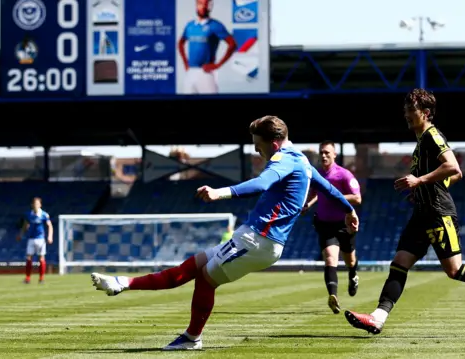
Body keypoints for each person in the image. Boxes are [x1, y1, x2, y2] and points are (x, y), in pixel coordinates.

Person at [91, 116, 359, 350]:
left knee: (205, 281)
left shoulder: (283, 159)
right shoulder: (300, 158)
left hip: (258, 239)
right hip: (255, 238)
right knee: (191, 266)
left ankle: (192, 338)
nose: (257, 152)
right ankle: (122, 282)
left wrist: (220, 192)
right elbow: (329, 189)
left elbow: (262, 183)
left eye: (258, 146)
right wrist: (349, 209)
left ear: (274, 145)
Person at [344, 88, 465, 335]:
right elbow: (455, 175)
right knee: (399, 264)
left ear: (426, 113)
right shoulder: (420, 144)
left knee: (455, 270)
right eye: (405, 110)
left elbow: (453, 166)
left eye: (411, 110)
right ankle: (378, 318)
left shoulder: (432, 135)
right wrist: (422, 187)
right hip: (422, 212)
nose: (406, 114)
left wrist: (420, 182)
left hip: (439, 212)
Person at [302, 140, 362, 314]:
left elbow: (357, 198)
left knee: (350, 260)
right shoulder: (317, 175)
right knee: (330, 258)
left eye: (327, 152)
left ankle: (353, 275)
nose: (323, 155)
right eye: (321, 152)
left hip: (344, 224)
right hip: (324, 224)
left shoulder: (344, 175)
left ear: (334, 155)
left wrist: (335, 195)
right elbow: (315, 193)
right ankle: (333, 296)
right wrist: (308, 204)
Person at [177, 0, 237, 94]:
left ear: (210, 6)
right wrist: (185, 62)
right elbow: (180, 43)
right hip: (191, 72)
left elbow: (232, 44)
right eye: (200, 4)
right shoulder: (190, 25)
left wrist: (218, 65)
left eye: (206, 4)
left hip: (205, 72)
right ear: (196, 5)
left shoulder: (215, 25)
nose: (203, 7)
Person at [16, 197, 53, 284]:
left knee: (41, 258)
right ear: (32, 205)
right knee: (29, 258)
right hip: (31, 239)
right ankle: (27, 278)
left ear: (40, 205)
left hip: (40, 239)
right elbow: (25, 225)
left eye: (37, 204)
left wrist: (50, 236)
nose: (36, 205)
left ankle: (41, 278)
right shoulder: (29, 214)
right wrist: (21, 234)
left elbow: (49, 226)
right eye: (34, 204)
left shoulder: (44, 215)